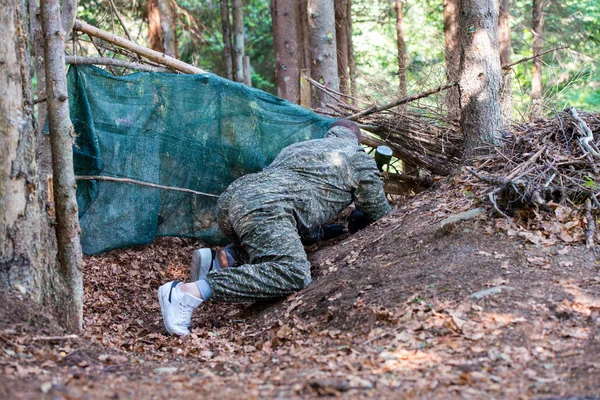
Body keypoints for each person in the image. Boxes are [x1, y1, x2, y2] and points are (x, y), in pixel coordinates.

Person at [157, 120, 392, 336]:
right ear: (358, 141)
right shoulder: (359, 159)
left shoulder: (300, 147)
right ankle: (186, 293)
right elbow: (380, 212)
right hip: (265, 207)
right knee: (293, 271)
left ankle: (221, 259)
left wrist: (319, 233)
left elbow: (296, 202)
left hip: (234, 198)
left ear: (329, 134)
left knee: (267, 241)